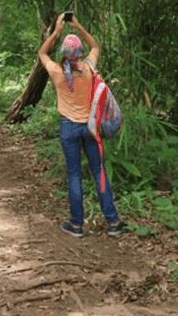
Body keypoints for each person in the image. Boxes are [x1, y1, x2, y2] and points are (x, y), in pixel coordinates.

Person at [38, 13, 128, 238]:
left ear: (63, 54)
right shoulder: (89, 67)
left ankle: (76, 225)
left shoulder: (56, 71)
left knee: (74, 175)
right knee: (99, 173)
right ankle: (113, 222)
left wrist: (57, 31)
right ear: (79, 54)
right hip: (91, 129)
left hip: (68, 128)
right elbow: (95, 45)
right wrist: (78, 25)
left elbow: (42, 52)